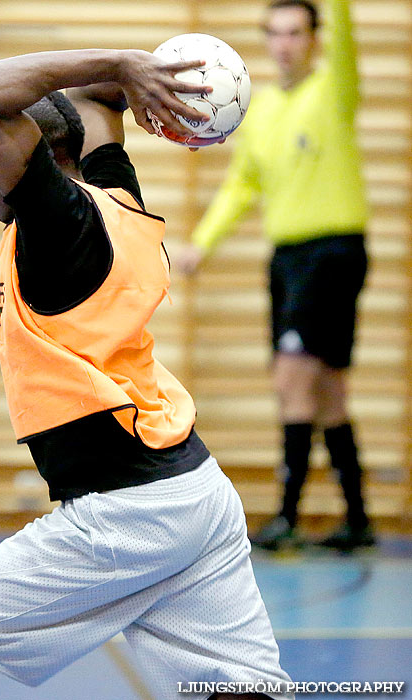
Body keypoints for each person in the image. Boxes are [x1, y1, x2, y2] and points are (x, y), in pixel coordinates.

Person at [0, 48, 291, 700]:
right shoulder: (115, 194)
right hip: (194, 494)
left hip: (128, 508)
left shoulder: (57, 221)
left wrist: (124, 61)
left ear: (38, 160)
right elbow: (103, 101)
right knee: (242, 689)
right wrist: (142, 84)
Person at [179, 0, 373, 552]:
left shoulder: (335, 89)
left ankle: (286, 516)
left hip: (332, 253)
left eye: (295, 33)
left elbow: (345, 41)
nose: (284, 43)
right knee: (329, 392)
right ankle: (358, 519)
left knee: (291, 381)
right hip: (288, 259)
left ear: (314, 38)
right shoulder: (260, 110)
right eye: (275, 34)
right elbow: (242, 186)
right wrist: (202, 245)